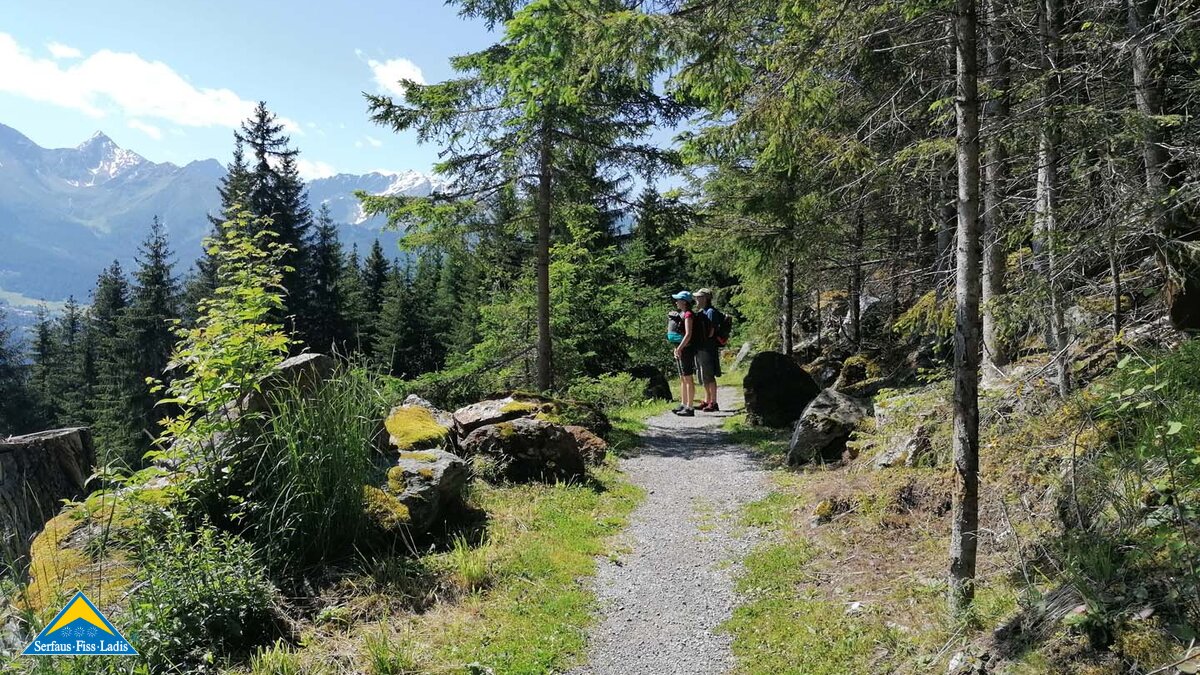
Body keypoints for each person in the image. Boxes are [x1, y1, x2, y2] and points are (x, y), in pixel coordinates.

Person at [670, 290, 698, 416]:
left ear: (684, 302)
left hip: (687, 349)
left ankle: (690, 407)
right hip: (682, 348)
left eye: (678, 300)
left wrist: (680, 348)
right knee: (682, 377)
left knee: (688, 377)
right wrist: (677, 348)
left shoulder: (688, 315)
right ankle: (683, 403)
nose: (676, 302)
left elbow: (688, 334)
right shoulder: (683, 314)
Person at [693, 288, 721, 412]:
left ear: (705, 298)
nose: (696, 299)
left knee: (709, 375)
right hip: (700, 347)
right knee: (702, 374)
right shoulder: (701, 311)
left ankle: (713, 402)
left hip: (708, 347)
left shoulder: (711, 312)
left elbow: (711, 332)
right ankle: (707, 400)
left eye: (698, 297)